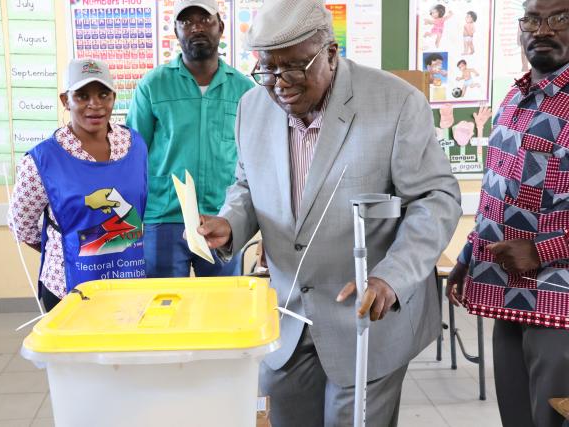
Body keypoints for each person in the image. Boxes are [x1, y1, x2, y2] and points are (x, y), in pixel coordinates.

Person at [197, 0, 462, 425]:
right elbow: (248, 186)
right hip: (287, 317)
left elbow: (437, 199)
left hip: (368, 320)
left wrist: (391, 276)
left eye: (294, 68)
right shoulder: (251, 108)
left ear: (331, 54)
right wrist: (230, 224)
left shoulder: (395, 104)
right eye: (267, 69)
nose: (280, 83)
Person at [447, 1, 569, 425]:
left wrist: (543, 250)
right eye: (533, 20)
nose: (544, 30)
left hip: (560, 309)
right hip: (507, 293)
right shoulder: (516, 95)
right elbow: (496, 195)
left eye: (560, 18)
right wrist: (467, 257)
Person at [126, 0, 253, 278]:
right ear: (176, 30)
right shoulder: (153, 85)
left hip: (224, 217)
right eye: (187, 21)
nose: (196, 27)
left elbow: (257, 162)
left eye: (205, 20)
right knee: (164, 309)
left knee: (222, 308)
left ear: (220, 27)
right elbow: (133, 157)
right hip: (164, 217)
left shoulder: (245, 90)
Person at [9, 59, 148, 311]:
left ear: (113, 98)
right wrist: (67, 247)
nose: (94, 105)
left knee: (122, 349)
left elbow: (139, 210)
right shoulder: (42, 160)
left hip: (128, 281)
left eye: (103, 94)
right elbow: (21, 225)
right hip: (67, 288)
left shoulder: (134, 146)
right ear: (65, 100)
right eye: (82, 96)